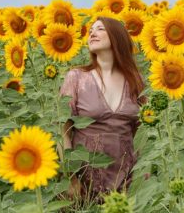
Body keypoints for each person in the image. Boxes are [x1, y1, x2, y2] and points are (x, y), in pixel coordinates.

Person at [60, 16, 145, 201]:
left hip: (128, 181)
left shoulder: (135, 80)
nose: (92, 32)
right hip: (86, 183)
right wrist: (71, 178)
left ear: (116, 36)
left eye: (100, 29)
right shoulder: (77, 78)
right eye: (91, 30)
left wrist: (143, 176)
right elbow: (63, 131)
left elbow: (143, 132)